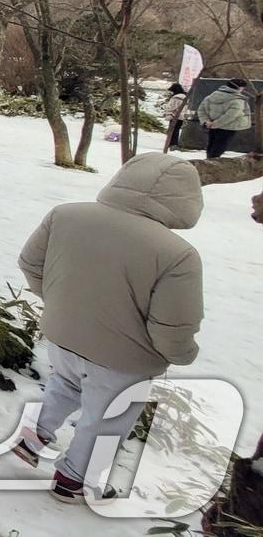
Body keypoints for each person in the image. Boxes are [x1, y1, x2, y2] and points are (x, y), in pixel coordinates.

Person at [12, 153, 203, 503]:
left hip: (63, 335)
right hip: (123, 357)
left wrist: (58, 302)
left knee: (64, 384)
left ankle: (32, 437)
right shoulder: (177, 254)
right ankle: (73, 480)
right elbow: (172, 324)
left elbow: (30, 263)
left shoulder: (66, 215)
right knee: (108, 417)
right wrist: (181, 354)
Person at [196, 77, 252, 159]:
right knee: (219, 147)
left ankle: (208, 161)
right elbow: (231, 115)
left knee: (211, 146)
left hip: (211, 126)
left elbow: (201, 110)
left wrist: (206, 122)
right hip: (228, 127)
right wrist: (215, 124)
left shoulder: (210, 96)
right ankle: (211, 164)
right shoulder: (237, 100)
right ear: (240, 88)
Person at [159, 83, 188, 151]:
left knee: (172, 130)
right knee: (176, 130)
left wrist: (164, 106)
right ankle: (173, 144)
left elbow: (171, 107)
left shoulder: (176, 97)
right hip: (181, 116)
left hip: (174, 116)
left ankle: (172, 144)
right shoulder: (185, 97)